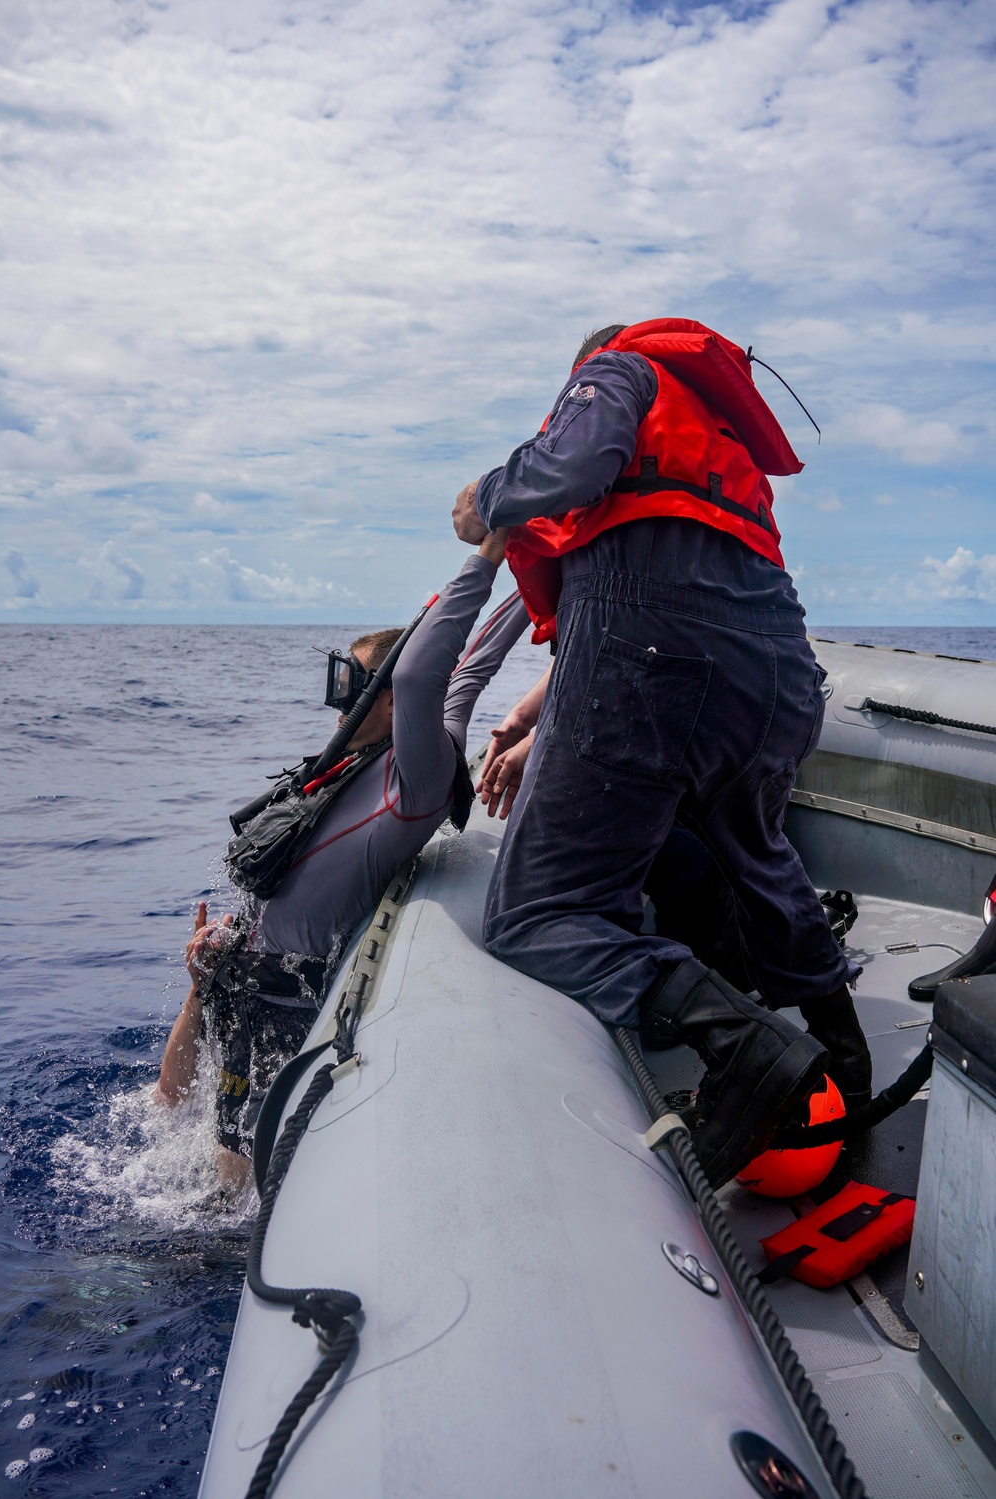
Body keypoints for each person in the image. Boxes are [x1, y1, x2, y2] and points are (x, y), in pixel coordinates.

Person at [453, 318, 870, 1187]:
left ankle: (749, 1047)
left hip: (651, 658)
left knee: (535, 916)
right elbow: (683, 599)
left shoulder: (616, 370)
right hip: (778, 667)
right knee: (756, 847)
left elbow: (570, 470)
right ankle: (845, 1056)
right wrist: (545, 728)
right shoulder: (710, 436)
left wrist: (487, 497)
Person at [155, 532, 530, 1188]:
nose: (338, 702)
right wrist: (536, 572)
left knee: (226, 1184)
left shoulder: (419, 776)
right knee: (166, 1111)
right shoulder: (367, 760)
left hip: (281, 990)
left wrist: (493, 548)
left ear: (390, 701)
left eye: (353, 684)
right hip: (242, 956)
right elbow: (477, 658)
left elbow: (425, 672)